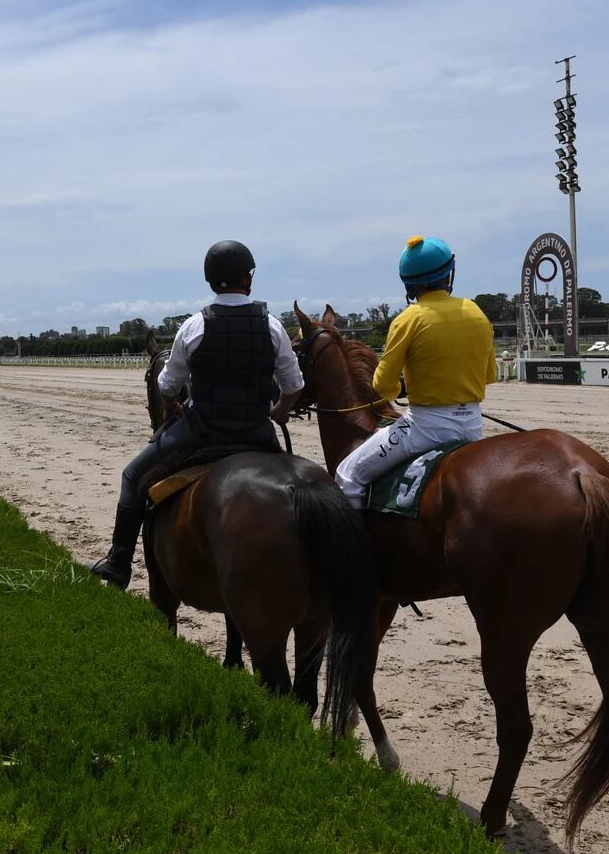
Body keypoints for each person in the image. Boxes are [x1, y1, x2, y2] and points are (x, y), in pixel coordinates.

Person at [90, 240, 304, 589]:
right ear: (248, 278)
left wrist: (172, 404)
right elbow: (293, 385)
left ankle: (118, 563)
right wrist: (279, 412)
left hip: (202, 432)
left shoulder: (193, 326)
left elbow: (168, 384)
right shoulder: (273, 326)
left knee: (132, 477)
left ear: (210, 280)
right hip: (256, 433)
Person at [334, 236, 497, 508]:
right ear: (449, 275)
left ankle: (357, 549)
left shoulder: (408, 319)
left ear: (410, 284)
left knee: (347, 475)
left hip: (425, 428)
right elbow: (489, 375)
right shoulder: (476, 312)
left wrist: (402, 388)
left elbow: (382, 385)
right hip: (472, 425)